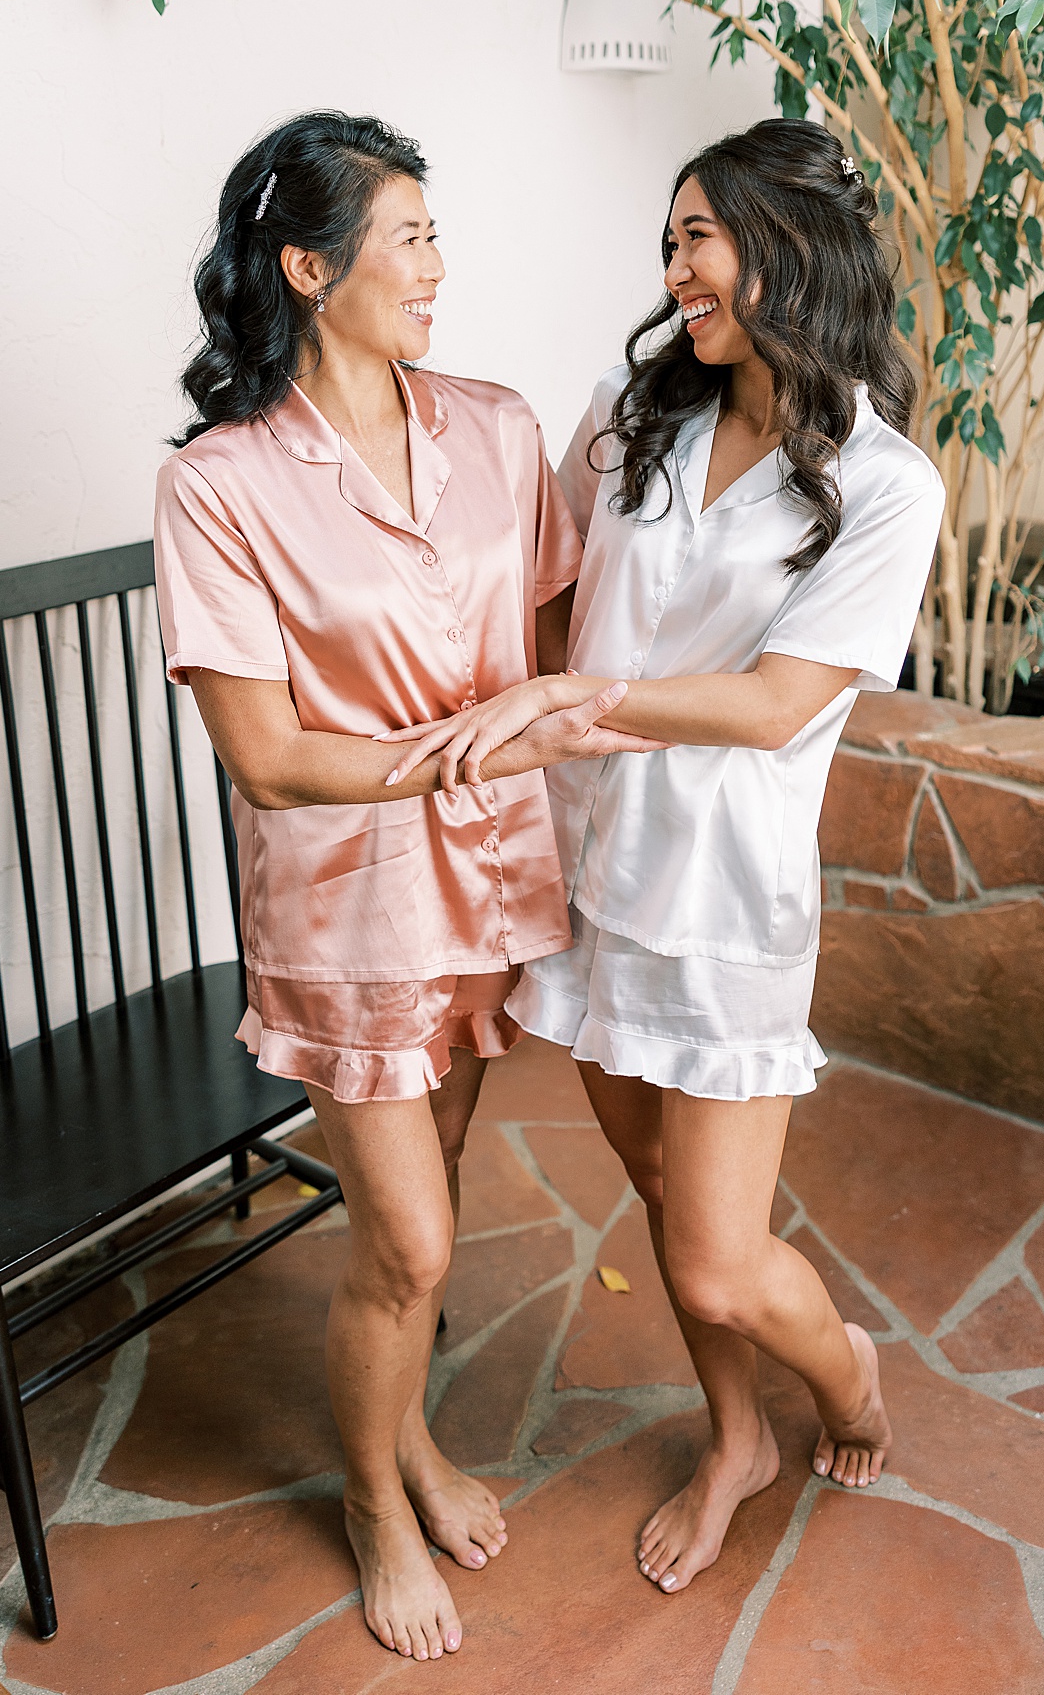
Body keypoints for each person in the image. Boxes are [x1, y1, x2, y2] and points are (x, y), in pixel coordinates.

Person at [382, 118, 945, 1597]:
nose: (677, 269)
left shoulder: (888, 487)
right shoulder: (633, 420)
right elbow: (560, 604)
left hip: (722, 904)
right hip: (591, 877)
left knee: (712, 1258)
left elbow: (773, 707)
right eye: (672, 242)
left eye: (700, 235)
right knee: (650, 1184)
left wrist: (583, 708)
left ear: (789, 250)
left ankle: (854, 1382)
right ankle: (737, 1435)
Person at [153, 110, 662, 1661]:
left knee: (427, 1191)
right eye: (409, 240)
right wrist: (463, 752)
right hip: (353, 915)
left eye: (438, 234)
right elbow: (268, 757)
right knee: (413, 1247)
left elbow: (567, 646)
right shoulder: (223, 487)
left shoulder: (501, 428)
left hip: (497, 895)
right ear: (310, 269)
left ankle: (417, 1447)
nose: (440, 267)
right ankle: (375, 1504)